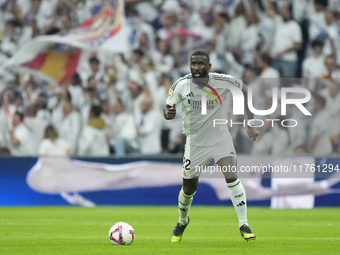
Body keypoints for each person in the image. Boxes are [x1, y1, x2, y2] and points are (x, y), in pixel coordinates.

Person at [163, 51, 259, 242]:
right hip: (195, 143)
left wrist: (251, 122)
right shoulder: (181, 85)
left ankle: (244, 224)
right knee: (189, 189)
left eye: (201, 64)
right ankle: (182, 221)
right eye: (193, 64)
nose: (196, 67)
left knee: (231, 175)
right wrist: (169, 113)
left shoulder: (221, 81)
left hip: (220, 137)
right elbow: (167, 108)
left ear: (209, 66)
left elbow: (245, 90)